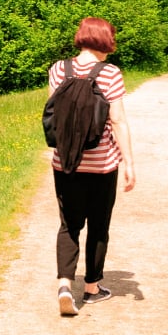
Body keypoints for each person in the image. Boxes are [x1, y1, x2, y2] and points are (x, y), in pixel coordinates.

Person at [48, 16, 136, 316]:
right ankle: (92, 287)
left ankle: (63, 286)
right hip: (101, 166)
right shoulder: (110, 73)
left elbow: (54, 116)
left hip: (66, 163)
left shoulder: (58, 70)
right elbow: (118, 120)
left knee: (69, 225)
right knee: (98, 225)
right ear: (105, 41)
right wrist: (129, 163)